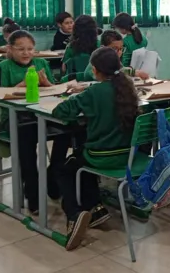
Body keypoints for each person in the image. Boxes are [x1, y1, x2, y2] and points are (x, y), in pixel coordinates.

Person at [52, 47, 141, 251]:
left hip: (101, 156)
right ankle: (96, 208)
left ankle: (74, 214)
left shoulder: (94, 92)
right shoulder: (128, 88)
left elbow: (61, 111)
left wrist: (78, 97)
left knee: (64, 167)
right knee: (80, 160)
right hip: (127, 157)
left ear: (94, 70)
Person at [0, 30, 71, 214]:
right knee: (26, 146)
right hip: (15, 120)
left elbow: (56, 93)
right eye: (20, 49)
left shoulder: (41, 63)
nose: (26, 53)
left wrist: (47, 84)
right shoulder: (4, 66)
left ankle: (53, 175)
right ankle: (33, 195)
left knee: (67, 131)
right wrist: (21, 85)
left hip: (42, 116)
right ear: (10, 49)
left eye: (30, 49)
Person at [72, 30, 149, 82]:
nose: (119, 53)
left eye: (121, 49)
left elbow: (120, 70)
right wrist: (131, 72)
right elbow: (108, 75)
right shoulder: (97, 59)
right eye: (114, 49)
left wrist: (133, 72)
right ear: (103, 48)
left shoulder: (114, 60)